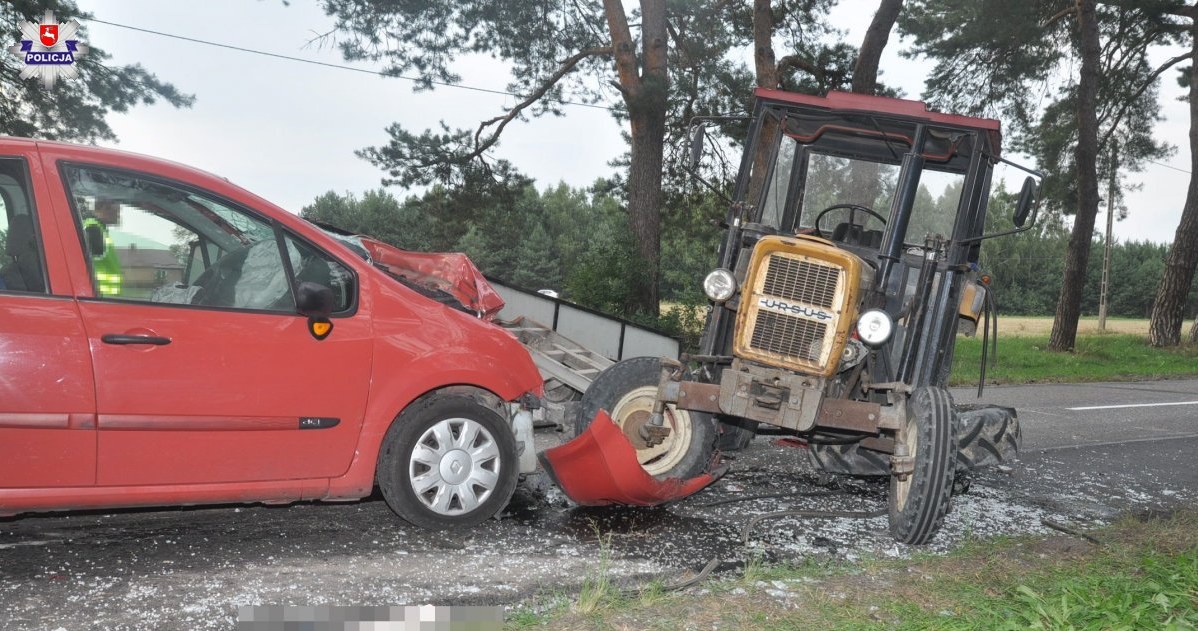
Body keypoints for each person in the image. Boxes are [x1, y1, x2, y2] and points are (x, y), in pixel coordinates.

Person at [83, 199, 123, 296]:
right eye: (117, 211)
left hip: (102, 300)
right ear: (106, 207)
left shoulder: (99, 229)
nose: (119, 216)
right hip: (99, 299)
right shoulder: (93, 230)